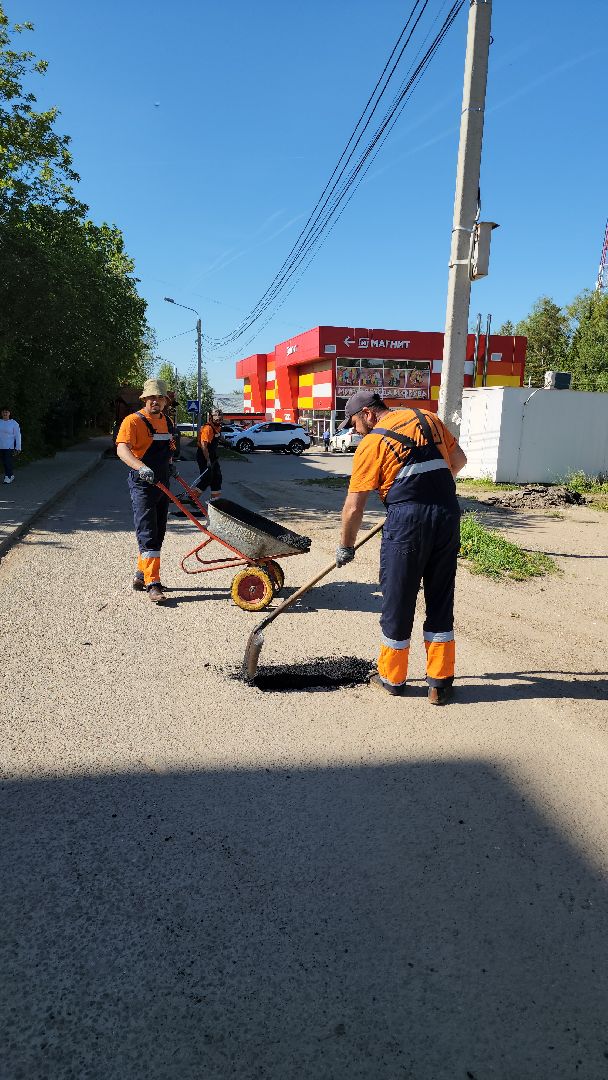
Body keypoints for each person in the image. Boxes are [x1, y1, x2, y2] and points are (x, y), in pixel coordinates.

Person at [335, 390, 467, 705]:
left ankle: (392, 678)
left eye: (354, 422)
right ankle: (440, 684)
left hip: (407, 523)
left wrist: (346, 546)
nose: (354, 430)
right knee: (440, 598)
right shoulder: (429, 418)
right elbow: (459, 461)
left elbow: (354, 507)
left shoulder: (373, 443)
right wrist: (429, 495)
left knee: (399, 599)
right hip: (447, 514)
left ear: (367, 413)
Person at [115, 378, 177, 604]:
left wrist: (171, 463)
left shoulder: (168, 422)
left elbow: (169, 447)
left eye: (160, 397)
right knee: (147, 531)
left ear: (165, 401)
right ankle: (153, 583)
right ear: (144, 399)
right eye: (151, 397)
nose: (155, 401)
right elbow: (122, 449)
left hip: (162, 482)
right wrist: (140, 467)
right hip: (142, 484)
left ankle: (141, 575)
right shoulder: (133, 421)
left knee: (159, 530)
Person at [194, 408, 223, 500]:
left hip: (212, 455)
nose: (218, 420)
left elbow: (217, 436)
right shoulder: (208, 428)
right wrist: (208, 460)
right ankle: (193, 497)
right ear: (211, 417)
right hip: (203, 455)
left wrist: (226, 442)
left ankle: (215, 501)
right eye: (216, 418)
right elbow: (204, 446)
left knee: (217, 477)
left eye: (220, 418)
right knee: (207, 477)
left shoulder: (217, 427)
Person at [0, 407, 21, 484]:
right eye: (3, 412)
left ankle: (8, 476)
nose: (5, 414)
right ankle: (11, 475)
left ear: (9, 413)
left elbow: (18, 436)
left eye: (6, 412)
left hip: (9, 446)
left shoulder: (14, 423)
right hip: (0, 446)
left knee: (8, 461)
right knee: (4, 462)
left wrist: (18, 447)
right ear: (1, 413)